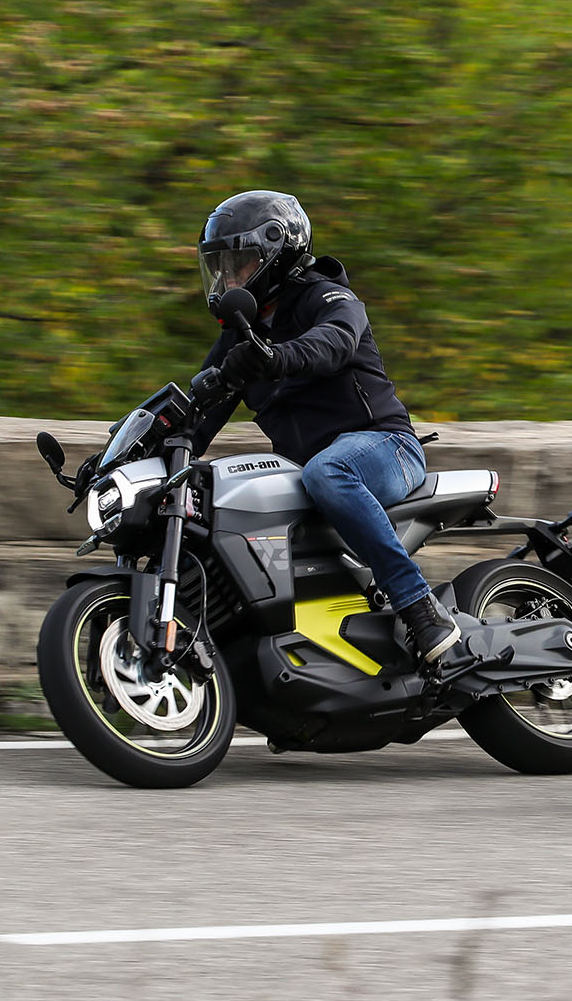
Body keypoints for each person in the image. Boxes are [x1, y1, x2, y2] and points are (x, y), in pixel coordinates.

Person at [186, 189, 461, 663]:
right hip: (313, 467)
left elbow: (332, 343)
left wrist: (276, 358)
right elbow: (200, 409)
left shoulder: (329, 297)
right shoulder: (240, 333)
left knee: (326, 471)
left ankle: (419, 607)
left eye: (239, 263)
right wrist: (132, 452)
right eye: (221, 266)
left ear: (276, 250)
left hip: (385, 446)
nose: (227, 278)